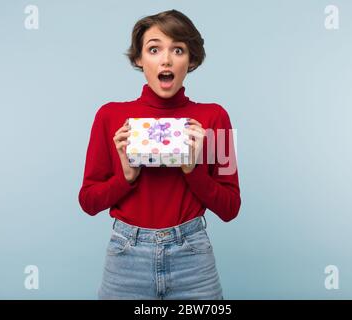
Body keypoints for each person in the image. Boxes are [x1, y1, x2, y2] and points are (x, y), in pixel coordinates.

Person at [78, 9, 241, 300]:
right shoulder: (110, 116)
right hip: (126, 256)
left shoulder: (215, 118)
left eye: (177, 49)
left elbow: (230, 208)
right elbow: (88, 202)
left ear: (190, 60)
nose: (166, 59)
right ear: (139, 59)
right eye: (154, 49)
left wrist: (194, 170)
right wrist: (125, 177)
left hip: (192, 255)